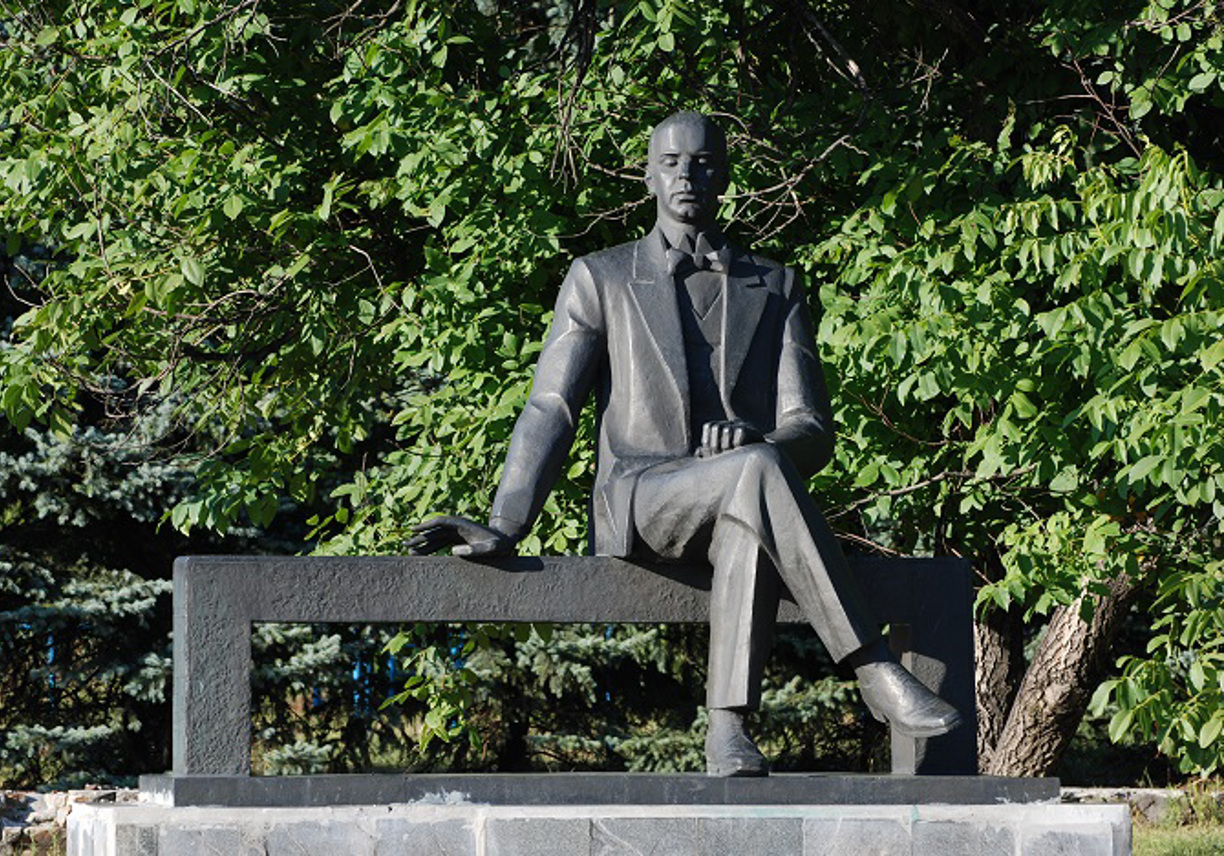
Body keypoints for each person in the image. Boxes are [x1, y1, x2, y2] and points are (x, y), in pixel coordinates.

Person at [407, 110, 960, 776]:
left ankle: (728, 729)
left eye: (702, 163)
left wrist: (757, 439)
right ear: (647, 177)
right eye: (670, 163)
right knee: (755, 473)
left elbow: (812, 431)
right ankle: (871, 668)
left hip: (739, 497)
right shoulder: (602, 276)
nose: (686, 176)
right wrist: (505, 522)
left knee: (748, 504)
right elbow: (552, 406)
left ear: (724, 177)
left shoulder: (776, 285)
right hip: (639, 495)